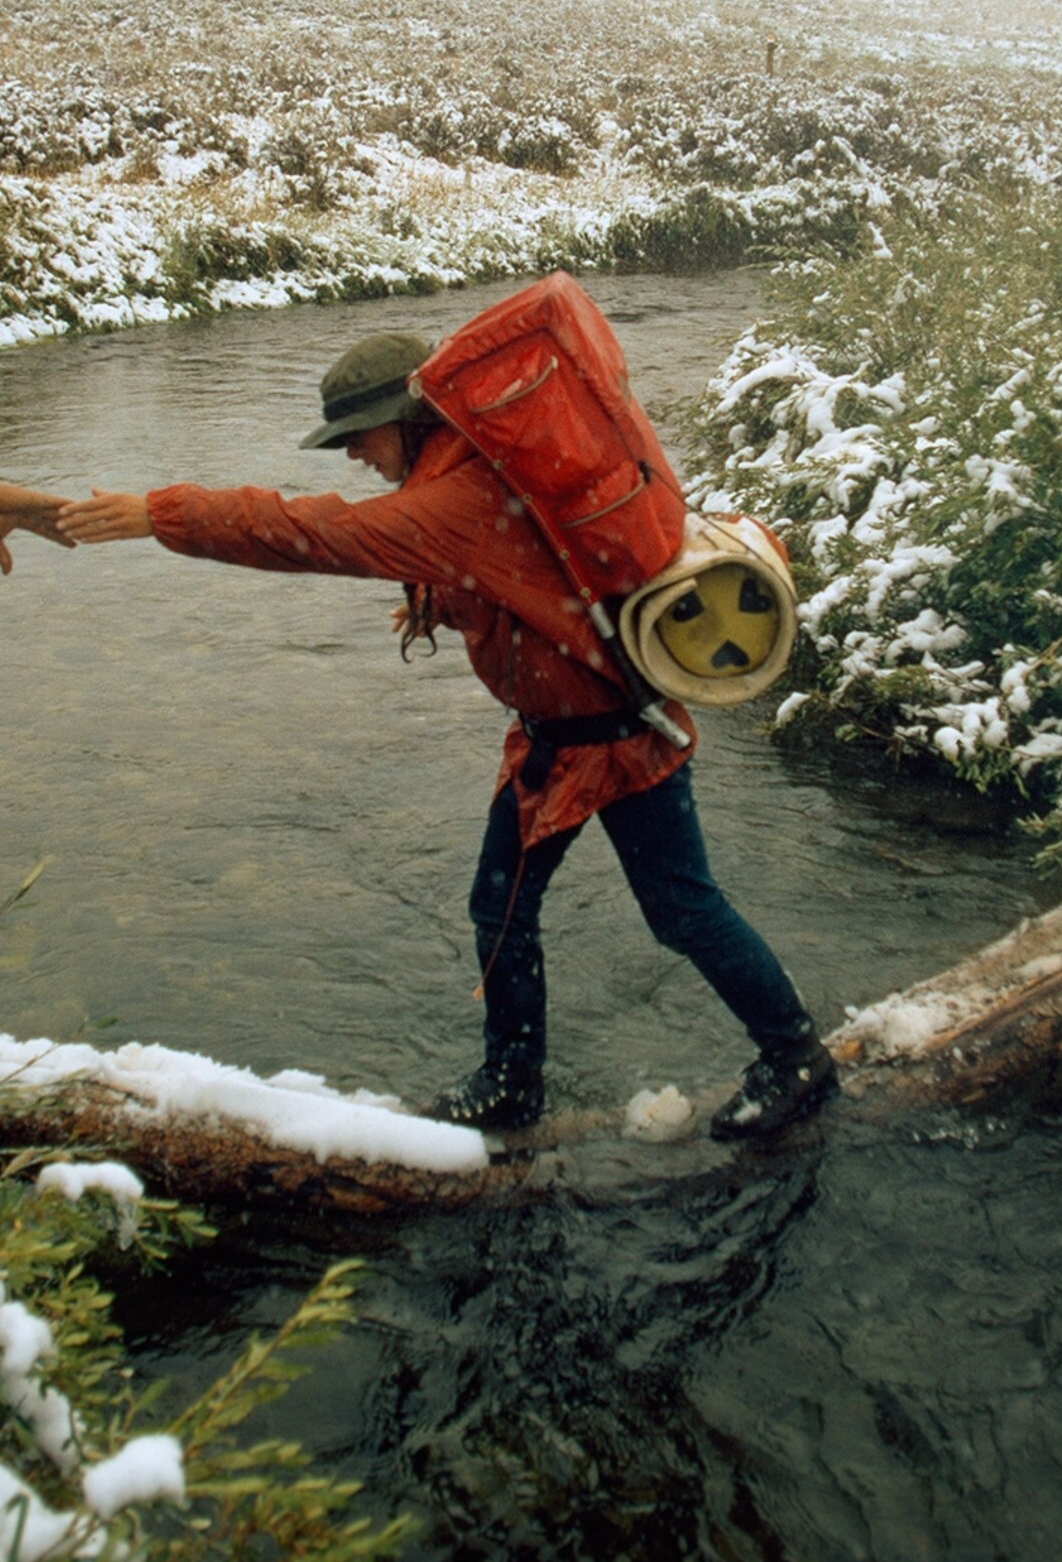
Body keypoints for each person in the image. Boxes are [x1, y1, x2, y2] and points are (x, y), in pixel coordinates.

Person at [56, 330, 840, 1141]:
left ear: (408, 419)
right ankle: (512, 1083)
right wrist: (447, 602)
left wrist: (161, 513)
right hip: (568, 735)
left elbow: (313, 533)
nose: (353, 456)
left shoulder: (453, 499)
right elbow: (523, 572)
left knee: (678, 910)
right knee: (503, 908)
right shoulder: (477, 470)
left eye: (358, 437)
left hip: (612, 742)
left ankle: (793, 1058)